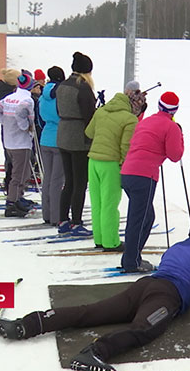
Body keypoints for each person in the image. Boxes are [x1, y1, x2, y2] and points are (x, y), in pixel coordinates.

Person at [0, 217, 190, 371]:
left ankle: (26, 324)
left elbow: (175, 268)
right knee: (144, 328)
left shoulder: (176, 247)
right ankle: (95, 353)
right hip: (167, 296)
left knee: (91, 311)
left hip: (143, 287)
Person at [120, 91, 184, 272]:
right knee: (139, 220)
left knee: (145, 217)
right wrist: (180, 135)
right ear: (175, 110)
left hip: (127, 172)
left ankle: (132, 257)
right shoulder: (170, 127)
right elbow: (175, 155)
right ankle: (131, 262)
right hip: (144, 176)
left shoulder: (146, 121)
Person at [84, 80, 141, 251]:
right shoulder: (130, 119)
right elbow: (126, 146)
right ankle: (111, 242)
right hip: (111, 163)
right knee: (110, 204)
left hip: (93, 161)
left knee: (97, 202)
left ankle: (99, 238)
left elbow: (89, 132)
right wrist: (125, 165)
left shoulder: (101, 111)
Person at [55, 52, 96, 237]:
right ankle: (76, 221)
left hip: (63, 135)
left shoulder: (62, 85)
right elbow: (90, 116)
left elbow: (58, 109)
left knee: (68, 181)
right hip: (79, 138)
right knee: (80, 182)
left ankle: (63, 219)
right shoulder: (84, 88)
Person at [0, 70, 37, 217]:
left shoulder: (9, 98)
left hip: (9, 140)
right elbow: (24, 116)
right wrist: (25, 126)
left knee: (22, 172)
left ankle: (17, 198)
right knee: (20, 174)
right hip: (21, 142)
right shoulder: (27, 100)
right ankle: (12, 203)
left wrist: (5, 122)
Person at [38, 66, 65, 226]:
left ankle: (46, 213)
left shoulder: (42, 95)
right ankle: (56, 216)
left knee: (47, 177)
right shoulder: (59, 95)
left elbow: (40, 119)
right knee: (57, 180)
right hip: (59, 137)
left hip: (45, 137)